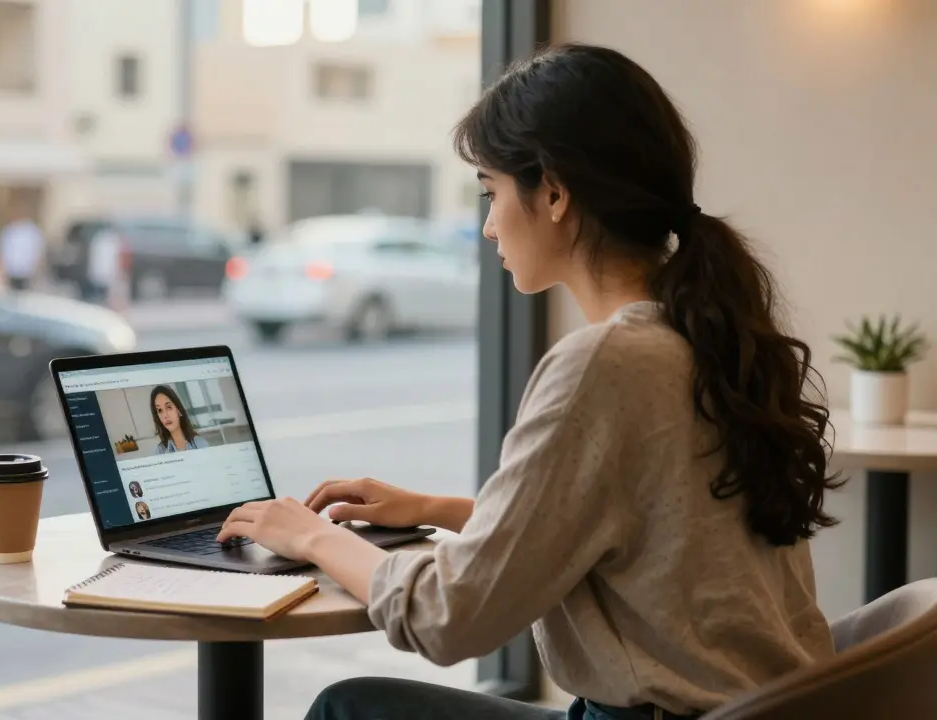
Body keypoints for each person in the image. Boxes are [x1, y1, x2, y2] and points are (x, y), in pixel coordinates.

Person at [216, 43, 840, 720]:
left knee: (350, 708)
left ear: (552, 190)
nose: (486, 226)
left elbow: (449, 618)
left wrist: (309, 536)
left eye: (490, 192)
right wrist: (435, 508)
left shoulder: (607, 363)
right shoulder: (709, 337)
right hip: (760, 707)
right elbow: (652, 532)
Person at [150, 385, 208, 454]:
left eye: (168, 407)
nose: (165, 415)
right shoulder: (160, 452)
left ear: (179, 411)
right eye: (159, 410)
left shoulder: (200, 444)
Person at [0, 208, 45, 292]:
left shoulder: (31, 231)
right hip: (12, 272)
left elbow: (36, 251)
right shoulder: (10, 230)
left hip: (26, 273)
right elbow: (5, 251)